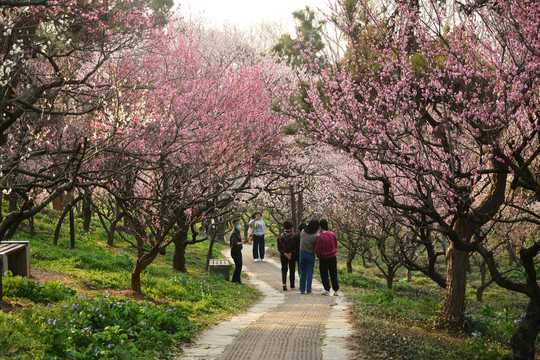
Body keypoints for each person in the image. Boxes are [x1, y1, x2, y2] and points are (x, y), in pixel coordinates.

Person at [315, 219, 339, 296]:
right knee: (333, 273)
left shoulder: (320, 237)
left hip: (324, 258)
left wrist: (319, 256)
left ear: (320, 227)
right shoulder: (332, 234)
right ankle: (336, 290)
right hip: (333, 257)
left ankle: (327, 290)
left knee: (324, 274)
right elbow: (336, 244)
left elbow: (318, 249)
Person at [299, 219, 319, 294]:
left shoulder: (303, 232)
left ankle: (302, 289)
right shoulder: (315, 236)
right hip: (310, 254)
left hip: (302, 253)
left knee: (302, 272)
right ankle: (309, 290)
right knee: (310, 273)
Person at [277, 220, 297, 291]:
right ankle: (292, 285)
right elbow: (295, 247)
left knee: (284, 269)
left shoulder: (280, 237)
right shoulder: (294, 236)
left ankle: (284, 283)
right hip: (292, 255)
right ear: (291, 227)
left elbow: (279, 247)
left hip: (283, 255)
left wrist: (285, 254)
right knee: (292, 269)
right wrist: (290, 253)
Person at [230, 219, 246, 284]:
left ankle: (235, 279)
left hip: (238, 251)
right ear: (234, 225)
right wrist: (242, 242)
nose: (239, 225)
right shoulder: (234, 233)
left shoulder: (237, 232)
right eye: (237, 224)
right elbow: (235, 243)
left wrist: (242, 242)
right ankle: (236, 280)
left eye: (239, 224)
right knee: (238, 265)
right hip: (235, 251)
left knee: (239, 266)